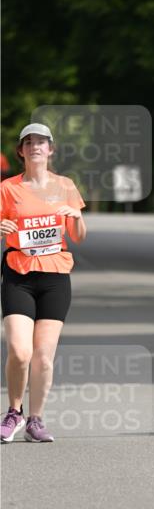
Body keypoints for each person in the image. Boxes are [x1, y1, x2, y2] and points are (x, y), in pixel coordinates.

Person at [1, 123, 86, 443]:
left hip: (54, 277)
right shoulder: (7, 188)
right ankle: (13, 412)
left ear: (51, 150)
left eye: (42, 142)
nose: (36, 146)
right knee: (20, 352)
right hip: (18, 274)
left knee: (43, 356)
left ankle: (36, 421)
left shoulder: (65, 186)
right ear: (21, 151)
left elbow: (78, 236)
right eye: (29, 142)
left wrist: (75, 217)